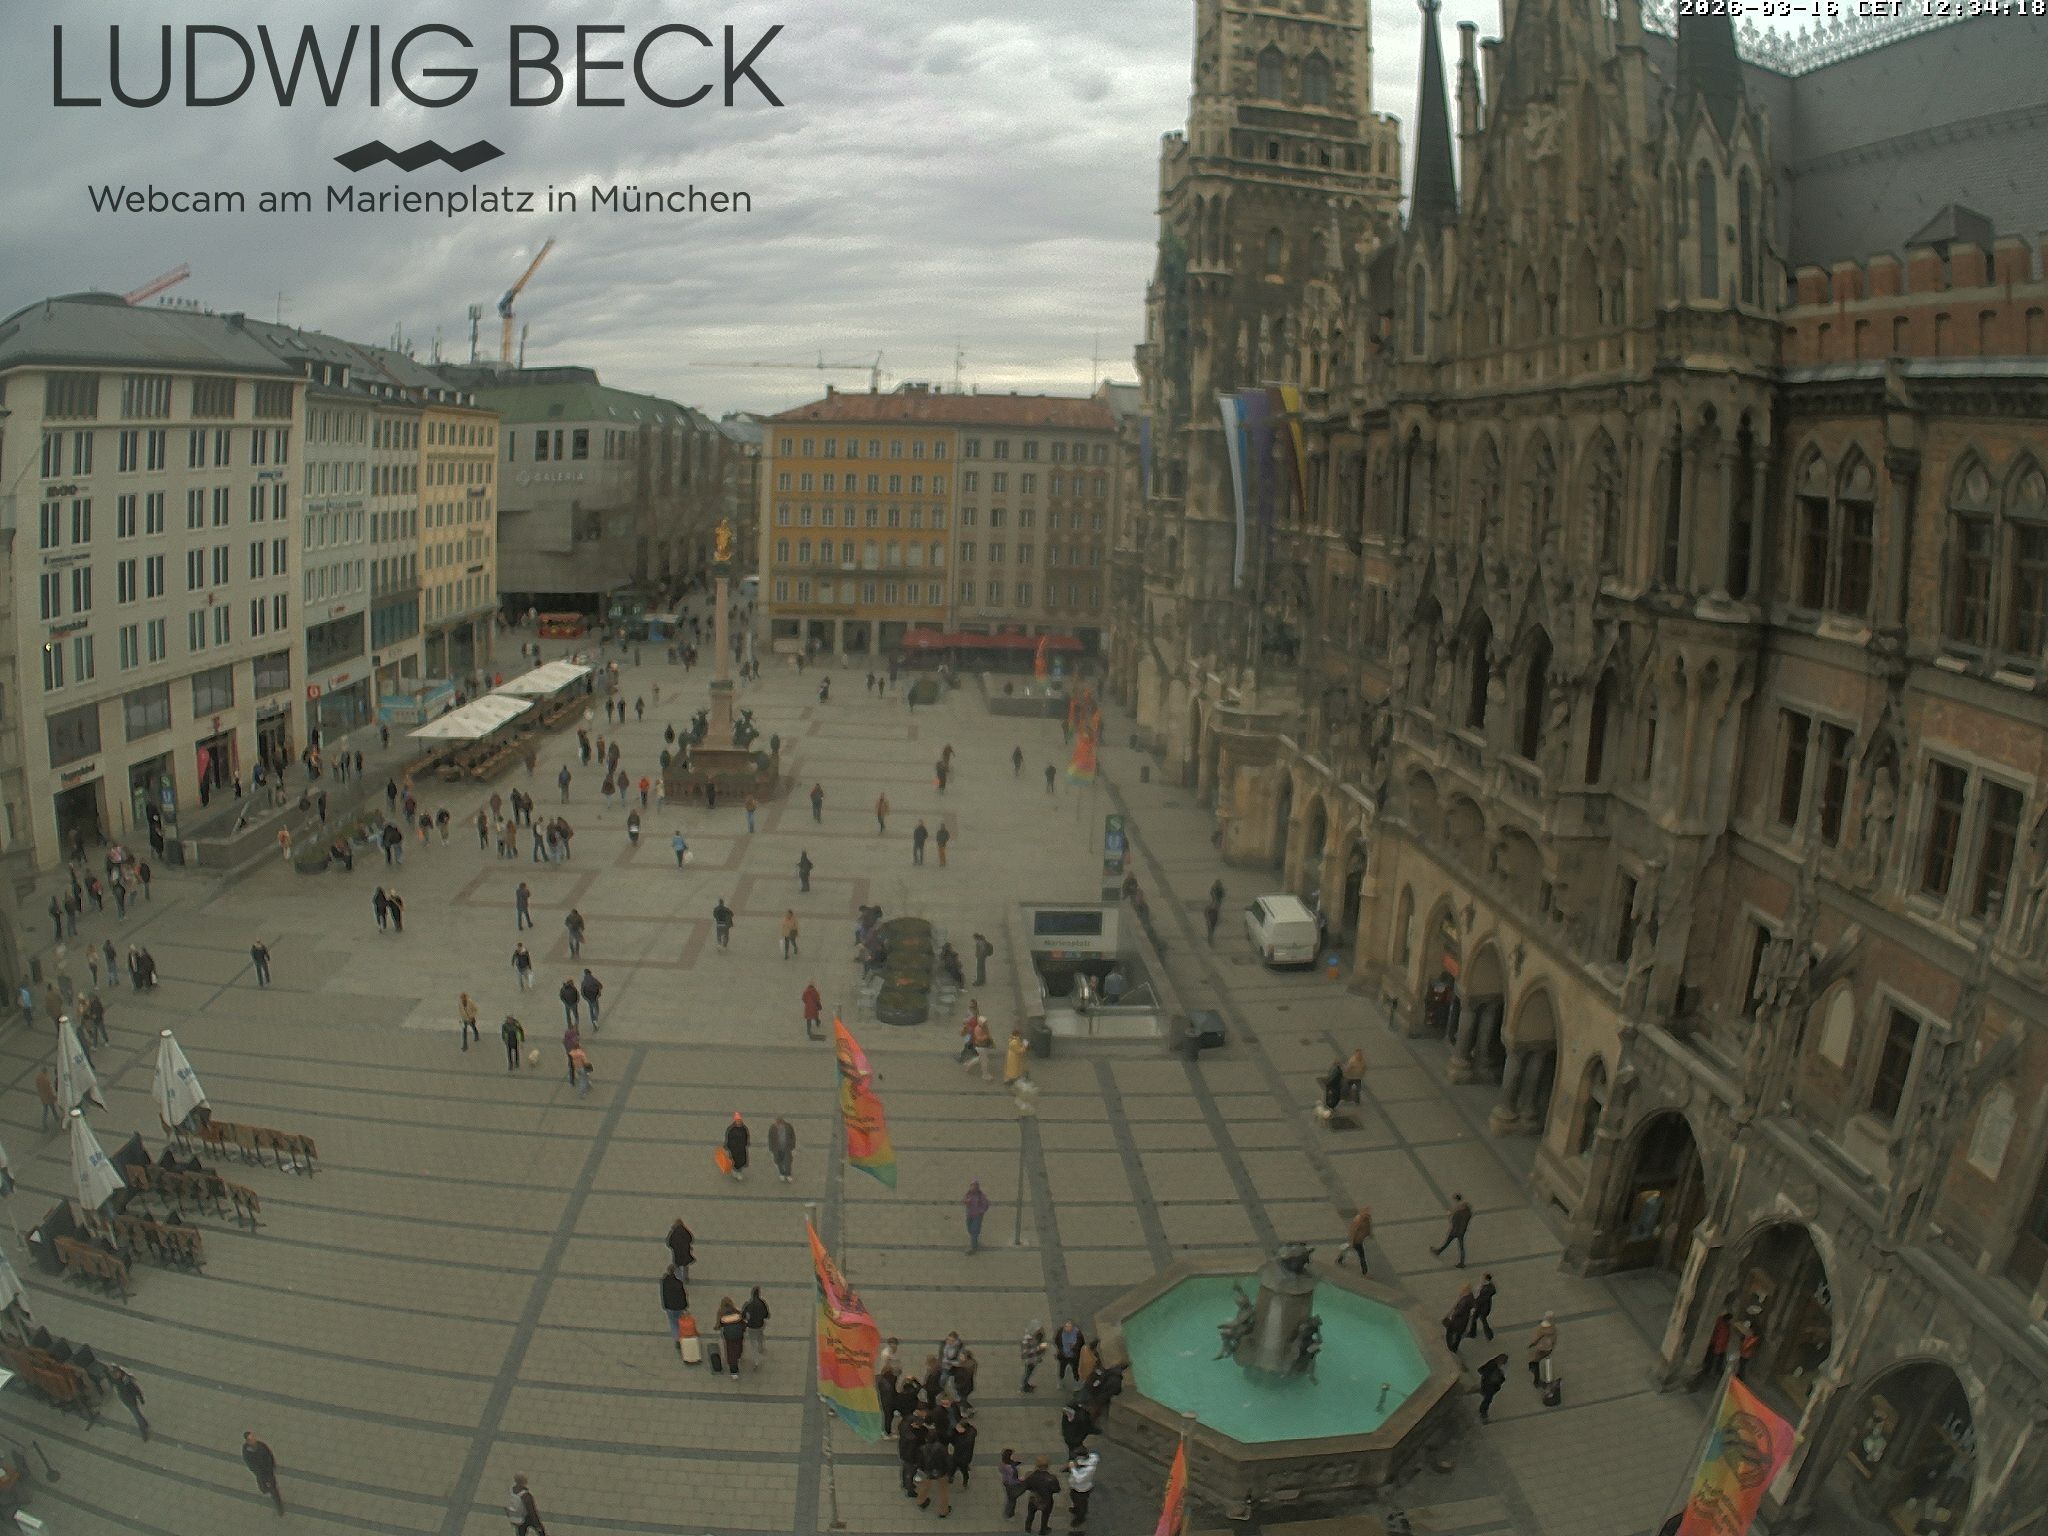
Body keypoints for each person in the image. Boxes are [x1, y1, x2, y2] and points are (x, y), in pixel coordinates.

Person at [242, 1431, 285, 1515]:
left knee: (273, 1489)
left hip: (268, 1472)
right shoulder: (246, 1451)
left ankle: (279, 1506)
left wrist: (272, 1465)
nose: (254, 1439)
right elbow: (249, 1463)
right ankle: (265, 1489)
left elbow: (269, 1454)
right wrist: (257, 1472)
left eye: (253, 1437)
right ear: (247, 1441)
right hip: (260, 1474)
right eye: (251, 1439)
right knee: (263, 1487)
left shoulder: (261, 1445)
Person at [915, 1431, 955, 1516]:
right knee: (943, 1491)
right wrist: (949, 1473)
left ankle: (921, 1501)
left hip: (928, 1472)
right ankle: (944, 1510)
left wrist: (923, 1470)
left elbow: (919, 1462)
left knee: (925, 1486)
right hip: (941, 1472)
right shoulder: (942, 1448)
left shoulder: (922, 1448)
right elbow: (948, 1461)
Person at [1022, 1455, 1061, 1535]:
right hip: (1046, 1501)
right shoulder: (1052, 1478)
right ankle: (1043, 1530)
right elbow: (1057, 1490)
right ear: (1047, 1466)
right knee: (1045, 1516)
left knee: (1030, 1514)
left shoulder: (1030, 1476)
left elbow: (1026, 1486)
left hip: (1034, 1499)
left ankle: (1028, 1528)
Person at [109, 1363, 149, 1440]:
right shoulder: (117, 1381)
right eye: (114, 1374)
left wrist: (140, 1397)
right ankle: (144, 1423)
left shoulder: (125, 1380)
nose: (116, 1375)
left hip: (130, 1400)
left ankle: (143, 1431)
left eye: (117, 1373)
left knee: (136, 1415)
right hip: (127, 1401)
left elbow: (135, 1388)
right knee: (137, 1414)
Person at [1433, 1193, 1474, 1267]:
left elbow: (1452, 1222)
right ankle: (1461, 1262)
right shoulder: (1468, 1211)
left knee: (1448, 1242)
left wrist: (1449, 1215)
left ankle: (1438, 1251)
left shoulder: (1458, 1213)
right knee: (1461, 1246)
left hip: (1455, 1231)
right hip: (1462, 1231)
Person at [1065, 1445, 1099, 1530]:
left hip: (1082, 1489)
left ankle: (1080, 1518)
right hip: (1075, 1487)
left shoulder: (1089, 1469)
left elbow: (1079, 1479)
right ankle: (1076, 1508)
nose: (1076, 1458)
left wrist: (1073, 1468)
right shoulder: (1085, 1460)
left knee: (1081, 1504)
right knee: (1073, 1497)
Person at [717, 1296, 746, 1378]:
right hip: (739, 1334)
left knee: (731, 1351)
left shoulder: (721, 1314)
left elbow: (719, 1325)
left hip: (729, 1336)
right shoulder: (736, 1312)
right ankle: (739, 1356)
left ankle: (734, 1372)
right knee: (738, 1346)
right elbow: (742, 1322)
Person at [660, 1266, 689, 1350]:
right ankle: (683, 1336)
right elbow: (682, 1296)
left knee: (673, 1323)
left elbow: (663, 1294)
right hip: (679, 1307)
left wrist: (664, 1305)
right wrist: (685, 1305)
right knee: (680, 1321)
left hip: (669, 1306)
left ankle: (677, 1339)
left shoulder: (665, 1281)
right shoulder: (678, 1283)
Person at [741, 1285, 771, 1364]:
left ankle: (756, 1361)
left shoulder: (748, 1304)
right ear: (759, 1294)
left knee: (753, 1343)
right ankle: (761, 1347)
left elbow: (743, 1316)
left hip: (751, 1327)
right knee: (760, 1336)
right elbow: (767, 1315)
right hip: (760, 1325)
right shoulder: (762, 1303)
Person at [1528, 1313, 1558, 1388]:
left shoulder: (1541, 1328)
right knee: (1544, 1360)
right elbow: (1554, 1339)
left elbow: (1536, 1338)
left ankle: (1537, 1379)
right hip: (1548, 1348)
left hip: (1541, 1347)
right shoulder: (1553, 1328)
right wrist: (1553, 1346)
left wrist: (1532, 1344)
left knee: (1536, 1361)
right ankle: (1543, 1378)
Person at [1477, 1353, 1509, 1422]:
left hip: (1493, 1385)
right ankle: (1483, 1411)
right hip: (1488, 1384)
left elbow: (1502, 1378)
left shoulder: (1500, 1367)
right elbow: (1482, 1370)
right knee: (1488, 1399)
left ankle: (1483, 1410)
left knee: (1488, 1398)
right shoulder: (1492, 1364)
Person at [1444, 1283, 1476, 1353]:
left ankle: (1451, 1346)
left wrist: (1452, 1315)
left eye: (1462, 1290)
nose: (1461, 1291)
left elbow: (1459, 1310)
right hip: (1463, 1321)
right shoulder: (1469, 1297)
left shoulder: (1465, 1300)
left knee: (1451, 1332)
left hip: (1459, 1321)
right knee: (1458, 1334)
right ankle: (1454, 1347)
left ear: (1466, 1290)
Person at [962, 1179, 990, 1254]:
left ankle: (973, 1247)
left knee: (974, 1230)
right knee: (969, 1229)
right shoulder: (968, 1193)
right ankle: (975, 1241)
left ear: (977, 1188)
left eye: (974, 1187)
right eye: (972, 1187)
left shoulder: (981, 1196)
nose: (973, 1189)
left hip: (977, 1216)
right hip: (969, 1214)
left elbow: (986, 1205)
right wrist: (966, 1201)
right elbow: (964, 1199)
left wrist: (980, 1211)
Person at [1019, 1320, 1047, 1393]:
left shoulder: (1038, 1336)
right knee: (1027, 1373)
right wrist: (1038, 1348)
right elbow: (1025, 1353)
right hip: (1030, 1361)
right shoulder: (1027, 1340)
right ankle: (1024, 1386)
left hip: (1035, 1359)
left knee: (1030, 1373)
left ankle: (1026, 1384)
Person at [1470, 1272, 1498, 1341]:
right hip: (1482, 1306)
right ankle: (1473, 1333)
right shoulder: (1487, 1286)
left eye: (1482, 1278)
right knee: (1474, 1318)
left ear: (1486, 1279)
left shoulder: (1487, 1289)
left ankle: (1489, 1335)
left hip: (1483, 1308)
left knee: (1482, 1320)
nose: (1481, 1279)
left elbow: (1481, 1299)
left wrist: (1474, 1305)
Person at [999, 1448, 1026, 1519]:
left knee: (1010, 1498)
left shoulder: (1003, 1464)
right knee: (1012, 1500)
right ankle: (1009, 1514)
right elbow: (1012, 1480)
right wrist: (1020, 1480)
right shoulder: (1011, 1469)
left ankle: (1009, 1513)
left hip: (1006, 1482)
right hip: (1011, 1485)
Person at [768, 1115, 796, 1182]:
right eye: (777, 1123)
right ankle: (782, 1174)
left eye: (779, 1123)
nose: (778, 1125)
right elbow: (770, 1139)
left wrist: (792, 1146)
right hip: (777, 1149)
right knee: (779, 1162)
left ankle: (788, 1174)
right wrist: (771, 1149)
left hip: (787, 1148)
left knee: (788, 1162)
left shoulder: (788, 1127)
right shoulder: (772, 1128)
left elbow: (793, 1136)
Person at [1054, 1320, 1083, 1385]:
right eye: (1066, 1326)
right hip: (1064, 1356)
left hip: (1073, 1356)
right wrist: (1060, 1350)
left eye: (1069, 1327)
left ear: (1072, 1327)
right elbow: (1056, 1340)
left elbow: (1081, 1344)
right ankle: (1061, 1380)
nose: (1067, 1328)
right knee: (1062, 1368)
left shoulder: (1077, 1333)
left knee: (1075, 1369)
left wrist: (1074, 1347)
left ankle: (1077, 1380)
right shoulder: (1060, 1332)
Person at [724, 1112, 750, 1180]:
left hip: (741, 1148)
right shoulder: (731, 1129)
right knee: (735, 1161)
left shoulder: (744, 1128)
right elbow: (728, 1138)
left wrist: (746, 1143)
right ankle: (736, 1172)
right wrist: (728, 1146)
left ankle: (738, 1172)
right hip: (734, 1149)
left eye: (739, 1120)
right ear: (735, 1121)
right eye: (737, 1120)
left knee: (741, 1161)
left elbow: (746, 1136)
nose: (739, 1121)